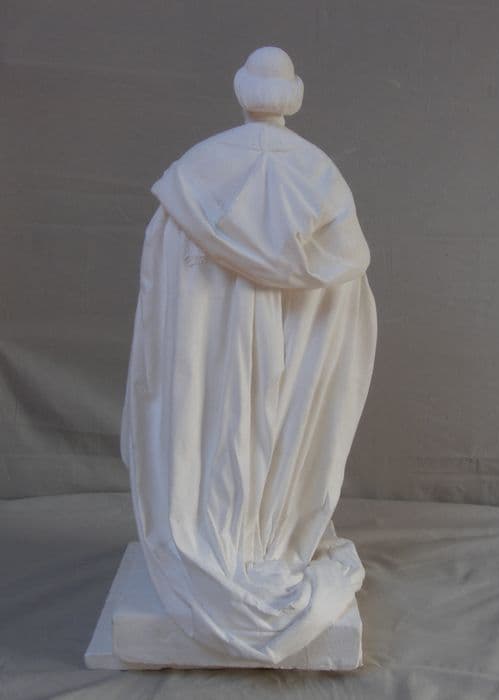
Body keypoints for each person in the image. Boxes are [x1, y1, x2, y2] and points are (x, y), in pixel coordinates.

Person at [120, 46, 377, 665]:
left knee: (210, 426)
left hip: (206, 370)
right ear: (295, 96)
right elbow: (345, 292)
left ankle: (210, 536)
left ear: (240, 91)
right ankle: (270, 540)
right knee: (277, 427)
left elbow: (162, 293)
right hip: (292, 365)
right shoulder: (320, 177)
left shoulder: (194, 176)